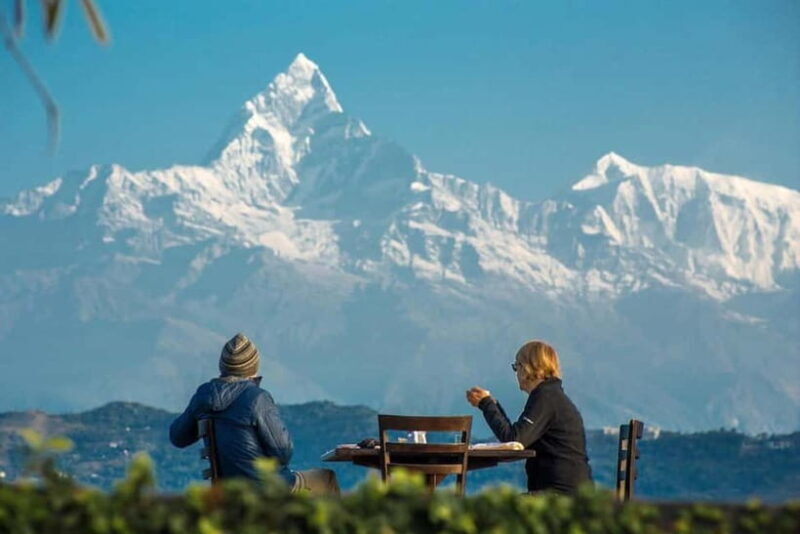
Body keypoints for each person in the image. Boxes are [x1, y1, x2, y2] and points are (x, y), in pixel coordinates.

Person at [169, 333, 339, 495]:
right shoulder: (257, 398)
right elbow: (282, 453)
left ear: (223, 366)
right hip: (268, 489)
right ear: (253, 367)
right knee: (326, 479)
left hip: (225, 492)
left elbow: (177, 437)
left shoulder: (203, 397)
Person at [466, 340, 591, 494]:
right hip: (572, 492)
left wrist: (486, 405)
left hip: (558, 496)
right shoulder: (551, 395)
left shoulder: (545, 398)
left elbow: (513, 439)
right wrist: (492, 404)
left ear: (527, 368)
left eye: (516, 367)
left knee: (492, 510)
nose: (516, 373)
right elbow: (517, 436)